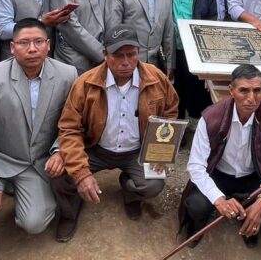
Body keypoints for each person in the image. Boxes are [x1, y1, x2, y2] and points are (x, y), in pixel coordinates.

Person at [0, 19, 77, 260]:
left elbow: (72, 123)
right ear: (13, 48)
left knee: (34, 223)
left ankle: (21, 190)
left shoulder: (67, 74)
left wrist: (59, 151)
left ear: (48, 44)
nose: (32, 48)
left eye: (38, 42)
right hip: (0, 157)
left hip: (37, 163)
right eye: (24, 43)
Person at [52, 25, 180, 242]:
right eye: (118, 55)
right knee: (62, 175)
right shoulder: (85, 83)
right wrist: (81, 173)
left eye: (131, 55)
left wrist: (161, 152)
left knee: (153, 184)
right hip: (96, 148)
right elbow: (70, 128)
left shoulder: (157, 79)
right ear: (105, 55)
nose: (126, 62)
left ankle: (130, 193)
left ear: (138, 52)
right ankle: (69, 212)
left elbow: (170, 112)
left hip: (135, 151)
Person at [180, 64, 261, 248]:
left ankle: (251, 223)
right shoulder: (210, 118)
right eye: (244, 90)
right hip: (219, 174)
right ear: (231, 91)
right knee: (197, 205)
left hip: (253, 178)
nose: (251, 98)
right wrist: (219, 200)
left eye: (257, 91)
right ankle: (199, 224)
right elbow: (196, 166)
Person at [156, 0, 218, 119]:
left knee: (193, 87)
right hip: (168, 47)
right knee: (172, 88)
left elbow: (212, 21)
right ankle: (176, 124)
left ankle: (195, 122)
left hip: (193, 50)